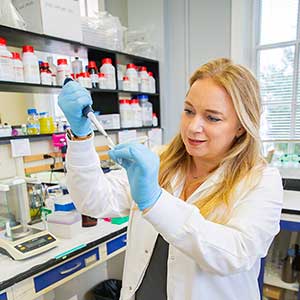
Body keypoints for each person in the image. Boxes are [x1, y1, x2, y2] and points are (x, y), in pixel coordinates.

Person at [58, 58, 283, 300]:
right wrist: (80, 136)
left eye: (212, 118)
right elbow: (93, 200)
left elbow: (236, 254)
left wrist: (155, 202)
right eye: (189, 111)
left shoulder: (261, 181)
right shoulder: (160, 160)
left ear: (241, 126)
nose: (193, 126)